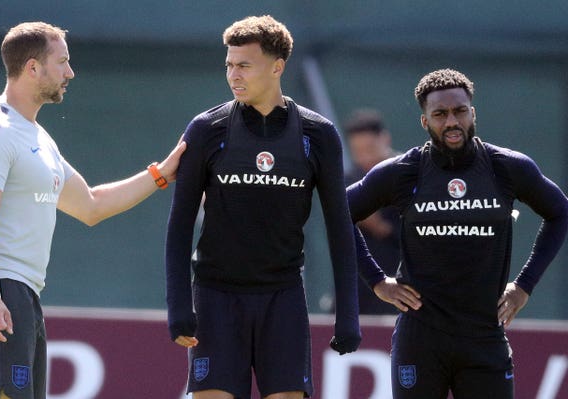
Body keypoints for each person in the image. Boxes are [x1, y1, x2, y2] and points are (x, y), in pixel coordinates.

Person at [0, 22, 186, 399]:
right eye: (62, 62)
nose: (70, 72)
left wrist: (160, 174)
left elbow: (91, 205)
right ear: (32, 68)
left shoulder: (38, 138)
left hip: (21, 293)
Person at [165, 15, 360, 399]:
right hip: (216, 297)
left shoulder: (317, 134)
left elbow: (340, 226)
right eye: (229, 65)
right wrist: (179, 306)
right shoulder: (207, 129)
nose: (233, 75)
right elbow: (180, 224)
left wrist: (348, 315)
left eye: (244, 65)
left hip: (283, 297)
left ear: (277, 66)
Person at [347, 68, 568, 398]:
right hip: (420, 339)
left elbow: (560, 212)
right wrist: (377, 281)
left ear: (472, 113)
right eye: (440, 114)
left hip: (484, 337)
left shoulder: (505, 167)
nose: (452, 121)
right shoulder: (405, 172)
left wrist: (524, 285)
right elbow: (341, 212)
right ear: (425, 122)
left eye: (459, 111)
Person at [343, 109, 401, 314]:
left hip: (402, 284)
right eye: (357, 151)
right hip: (360, 285)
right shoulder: (350, 180)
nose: (364, 157)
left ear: (384, 139)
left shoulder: (407, 173)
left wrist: (380, 226)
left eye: (369, 148)